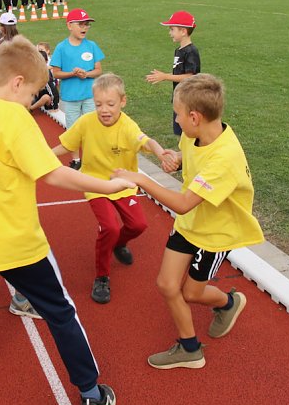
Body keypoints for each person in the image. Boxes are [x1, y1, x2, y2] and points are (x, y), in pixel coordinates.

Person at [0, 37, 127, 405]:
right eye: (33, 93)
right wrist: (107, 186)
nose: (32, 102)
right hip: (16, 242)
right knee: (60, 310)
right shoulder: (15, 118)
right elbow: (53, 173)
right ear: (18, 82)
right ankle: (90, 393)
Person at [112, 74, 264, 370]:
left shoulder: (224, 160)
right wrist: (178, 159)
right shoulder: (196, 132)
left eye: (178, 113)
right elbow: (192, 155)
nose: (176, 119)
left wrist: (141, 179)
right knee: (167, 285)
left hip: (216, 234)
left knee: (192, 293)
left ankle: (229, 303)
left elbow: (182, 204)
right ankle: (189, 348)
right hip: (191, 224)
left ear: (194, 116)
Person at [53, 73, 173, 303]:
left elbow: (146, 141)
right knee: (109, 227)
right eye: (98, 104)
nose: (104, 109)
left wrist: (159, 152)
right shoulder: (86, 122)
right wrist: (42, 156)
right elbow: (65, 144)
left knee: (138, 225)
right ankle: (102, 277)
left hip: (123, 184)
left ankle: (119, 244)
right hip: (96, 184)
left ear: (122, 102)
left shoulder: (127, 125)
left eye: (110, 104)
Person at [50, 8, 104, 169]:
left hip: (89, 95)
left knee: (92, 127)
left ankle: (90, 158)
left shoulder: (92, 45)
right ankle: (76, 159)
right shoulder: (61, 47)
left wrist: (86, 74)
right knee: (73, 129)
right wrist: (72, 73)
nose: (84, 28)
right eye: (80, 24)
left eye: (87, 24)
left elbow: (98, 70)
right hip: (70, 96)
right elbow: (56, 73)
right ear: (69, 26)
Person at [145, 11, 201, 136]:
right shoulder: (179, 50)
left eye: (172, 29)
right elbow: (180, 72)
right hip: (180, 97)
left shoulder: (191, 51)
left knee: (188, 133)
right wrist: (164, 75)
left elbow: (190, 77)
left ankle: (189, 154)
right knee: (179, 131)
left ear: (183, 31)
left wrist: (165, 76)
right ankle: (184, 154)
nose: (169, 33)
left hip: (188, 100)